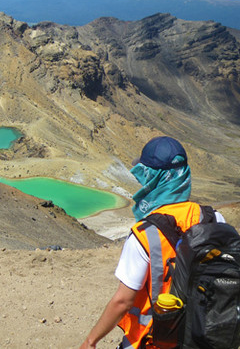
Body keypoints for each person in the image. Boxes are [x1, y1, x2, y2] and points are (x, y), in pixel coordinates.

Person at [79, 136, 225, 349]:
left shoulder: (144, 234)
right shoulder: (214, 218)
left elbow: (123, 301)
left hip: (155, 340)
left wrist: (90, 341)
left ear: (153, 179)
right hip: (203, 335)